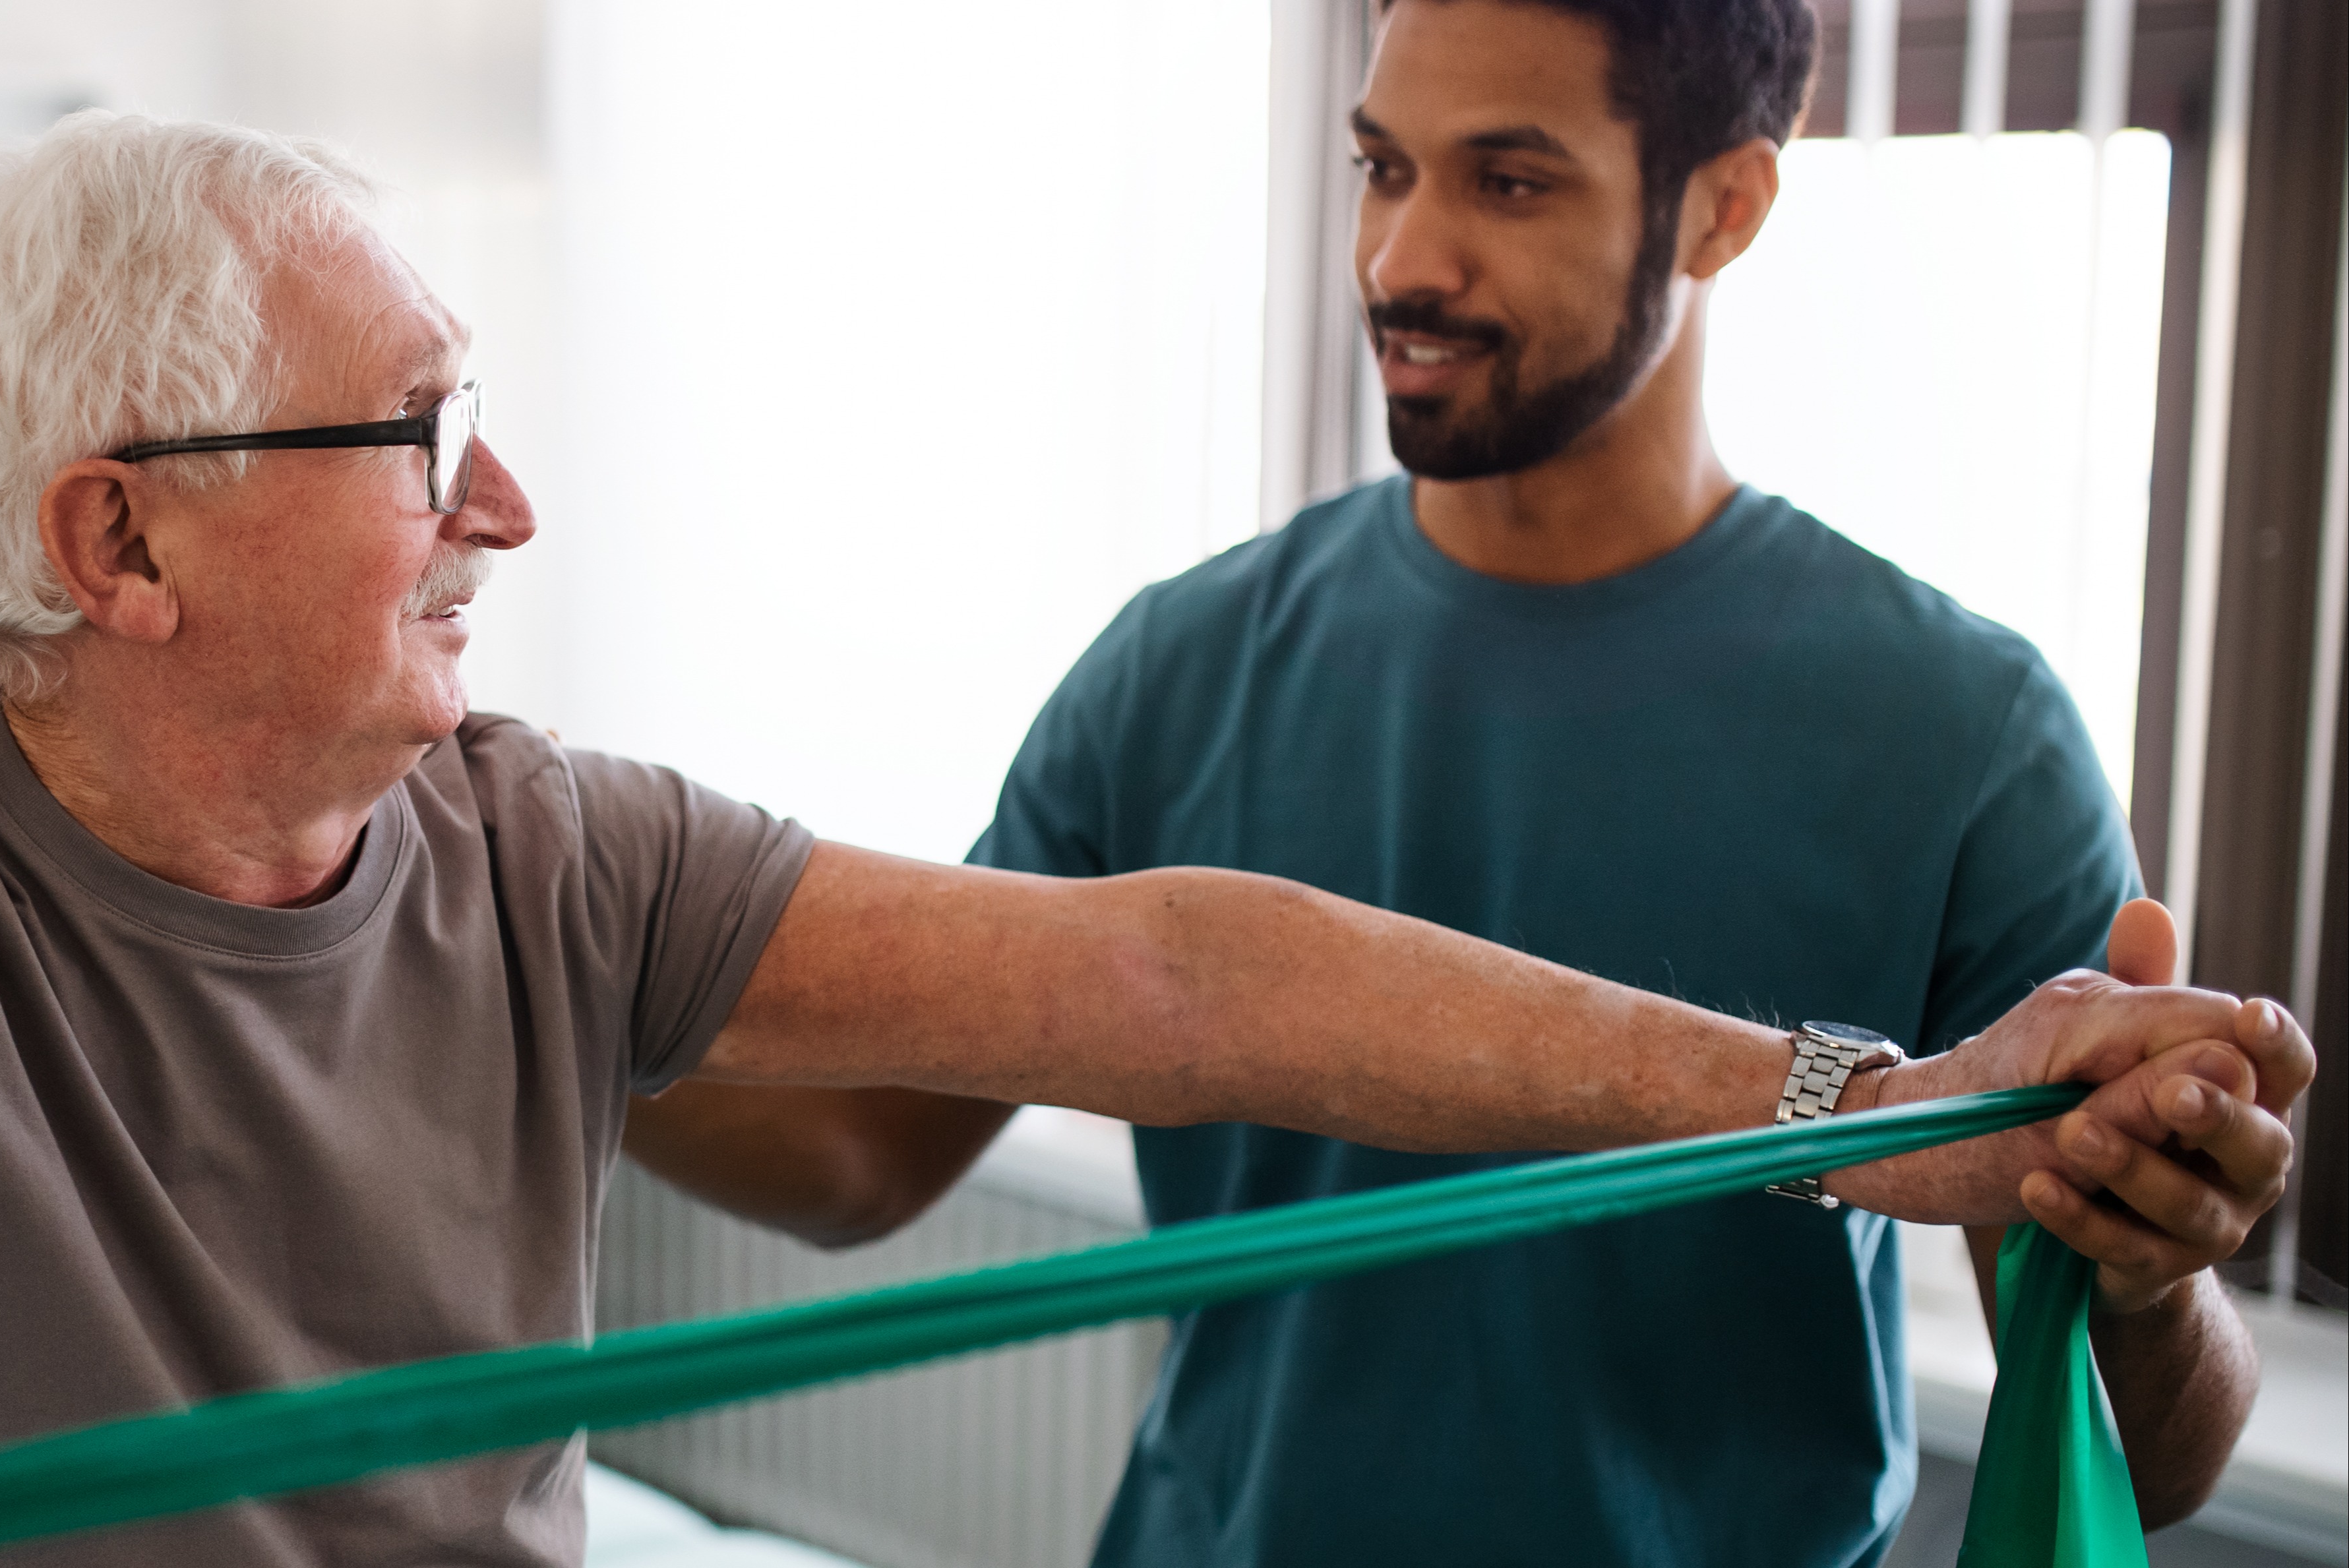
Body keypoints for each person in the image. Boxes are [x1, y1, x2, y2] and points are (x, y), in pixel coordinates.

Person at [0, 111, 2301, 1568]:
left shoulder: (535, 840)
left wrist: (1836, 1100)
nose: (510, 504)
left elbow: (1152, 968)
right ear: (115, 537)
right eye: (415, 431)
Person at [623, 1, 2315, 1563]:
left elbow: (2136, 1453)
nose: (1396, 256)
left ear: (1722, 207)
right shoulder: (1179, 664)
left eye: (1506, 180)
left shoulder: (1967, 729)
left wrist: (2151, 1276)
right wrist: (506, 977)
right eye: (1379, 167)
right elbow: (861, 1150)